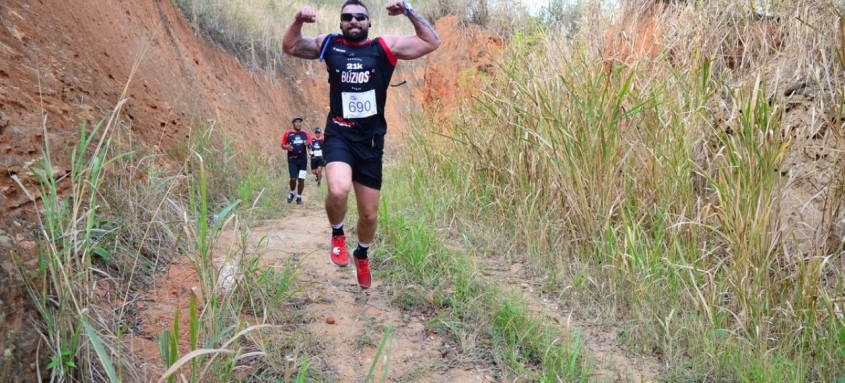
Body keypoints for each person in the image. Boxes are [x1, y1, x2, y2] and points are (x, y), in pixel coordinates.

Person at [282, 0, 440, 289]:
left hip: (370, 141)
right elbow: (291, 46)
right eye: (347, 17)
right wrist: (298, 19)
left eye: (360, 17)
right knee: (339, 189)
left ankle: (362, 253)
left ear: (369, 23)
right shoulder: (330, 44)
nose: (353, 21)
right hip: (339, 134)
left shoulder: (384, 47)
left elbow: (431, 42)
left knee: (369, 214)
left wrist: (407, 10)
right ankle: (338, 234)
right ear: (341, 23)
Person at [281, 116, 312, 205]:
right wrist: (286, 147)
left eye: (300, 122)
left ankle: (299, 197)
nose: (298, 124)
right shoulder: (288, 133)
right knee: (293, 178)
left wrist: (309, 148)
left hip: (303, 160)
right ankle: (292, 192)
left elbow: (310, 145)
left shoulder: (305, 134)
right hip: (292, 160)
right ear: (293, 124)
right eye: (296, 122)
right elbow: (282, 145)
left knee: (301, 179)